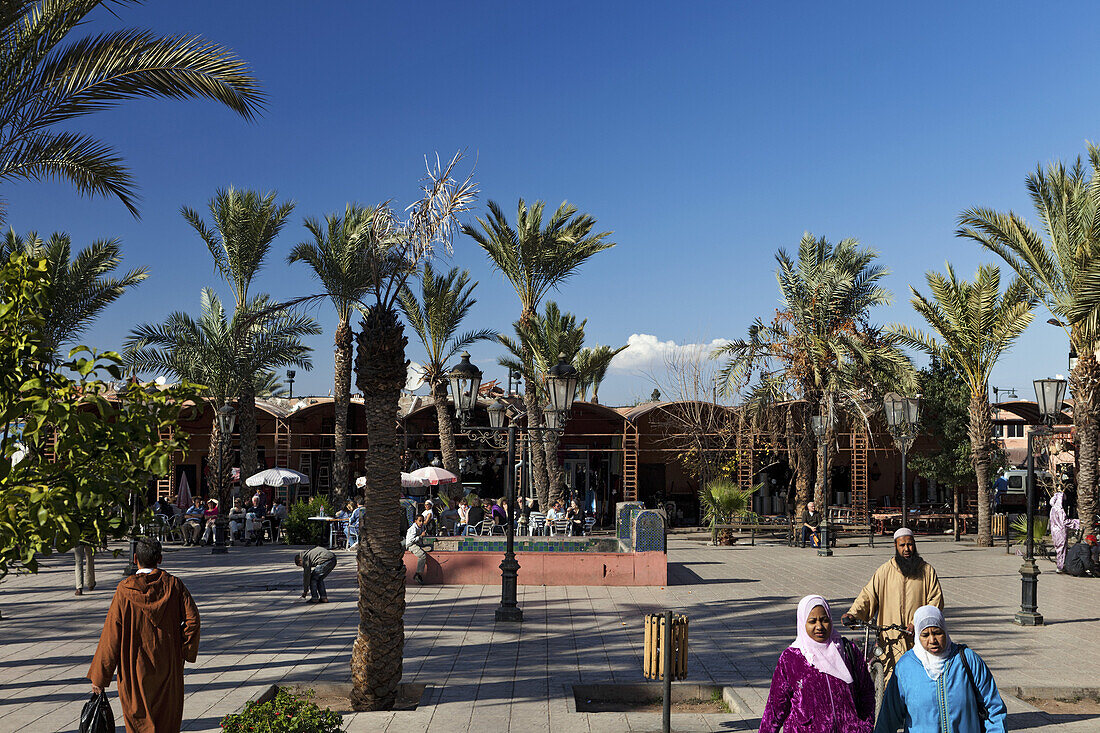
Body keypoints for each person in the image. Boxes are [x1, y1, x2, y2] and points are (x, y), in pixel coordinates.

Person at [88, 537, 201, 733]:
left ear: (135, 558)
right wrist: (183, 651)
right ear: (160, 559)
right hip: (167, 664)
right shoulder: (174, 586)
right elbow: (193, 621)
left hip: (134, 668)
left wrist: (100, 677)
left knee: (138, 721)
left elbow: (111, 633)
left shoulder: (125, 590)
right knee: (167, 720)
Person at [874, 605, 1007, 732]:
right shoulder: (905, 667)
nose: (932, 640)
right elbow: (889, 716)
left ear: (945, 630)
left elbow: (993, 707)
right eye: (925, 635)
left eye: (937, 633)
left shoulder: (968, 659)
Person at [760, 595, 874, 733]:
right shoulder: (791, 658)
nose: (819, 626)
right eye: (812, 621)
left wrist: (865, 727)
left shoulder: (848, 650)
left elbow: (866, 692)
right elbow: (775, 707)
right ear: (803, 623)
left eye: (824, 620)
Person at [843, 528, 943, 680]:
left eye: (910, 545)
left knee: (919, 677)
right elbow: (868, 595)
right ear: (896, 546)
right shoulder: (884, 571)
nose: (906, 549)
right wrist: (853, 614)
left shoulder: (926, 571)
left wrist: (918, 623)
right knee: (889, 679)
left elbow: (935, 600)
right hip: (890, 638)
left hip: (917, 637)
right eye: (902, 545)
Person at [1049, 490, 1079, 572]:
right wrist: (1077, 522)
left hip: (1055, 531)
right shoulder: (1059, 510)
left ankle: (1061, 565)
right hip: (1060, 531)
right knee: (1061, 549)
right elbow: (1064, 522)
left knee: (1059, 548)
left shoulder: (1053, 509)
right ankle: (1060, 566)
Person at [404, 514, 430, 584]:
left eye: (422, 521)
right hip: (411, 545)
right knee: (422, 555)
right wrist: (421, 536)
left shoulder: (421, 527)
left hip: (417, 544)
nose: (421, 522)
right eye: (420, 521)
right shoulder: (413, 529)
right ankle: (418, 574)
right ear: (416, 521)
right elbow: (411, 540)